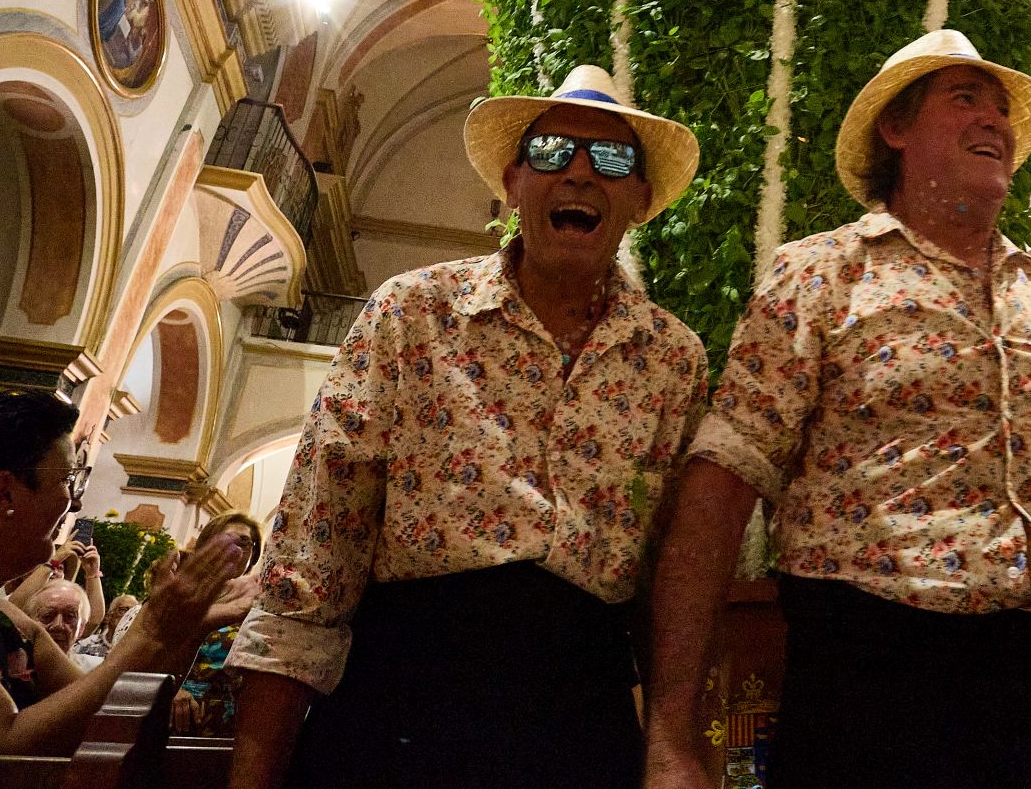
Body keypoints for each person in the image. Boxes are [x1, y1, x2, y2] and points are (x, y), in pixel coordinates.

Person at [643, 30, 1031, 789]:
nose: (994, 120)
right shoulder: (819, 275)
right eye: (964, 98)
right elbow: (722, 486)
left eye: (1000, 108)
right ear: (896, 129)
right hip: (880, 684)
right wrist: (672, 735)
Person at [227, 65, 709, 789]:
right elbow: (313, 557)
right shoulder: (411, 314)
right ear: (513, 182)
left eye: (611, 160)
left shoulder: (673, 359)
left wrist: (672, 746)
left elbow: (670, 578)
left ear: (639, 200)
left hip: (581, 722)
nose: (579, 174)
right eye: (551, 153)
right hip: (400, 708)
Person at [0, 392, 249, 755]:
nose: (75, 501)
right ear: (4, 493)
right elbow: (1, 754)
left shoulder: (5, 620)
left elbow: (105, 714)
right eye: (67, 479)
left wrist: (186, 632)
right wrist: (153, 629)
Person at [172, 512, 264, 735]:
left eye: (245, 542)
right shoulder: (177, 595)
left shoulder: (257, 603)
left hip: (235, 722)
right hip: (178, 714)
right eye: (227, 538)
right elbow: (147, 654)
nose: (236, 549)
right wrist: (172, 690)